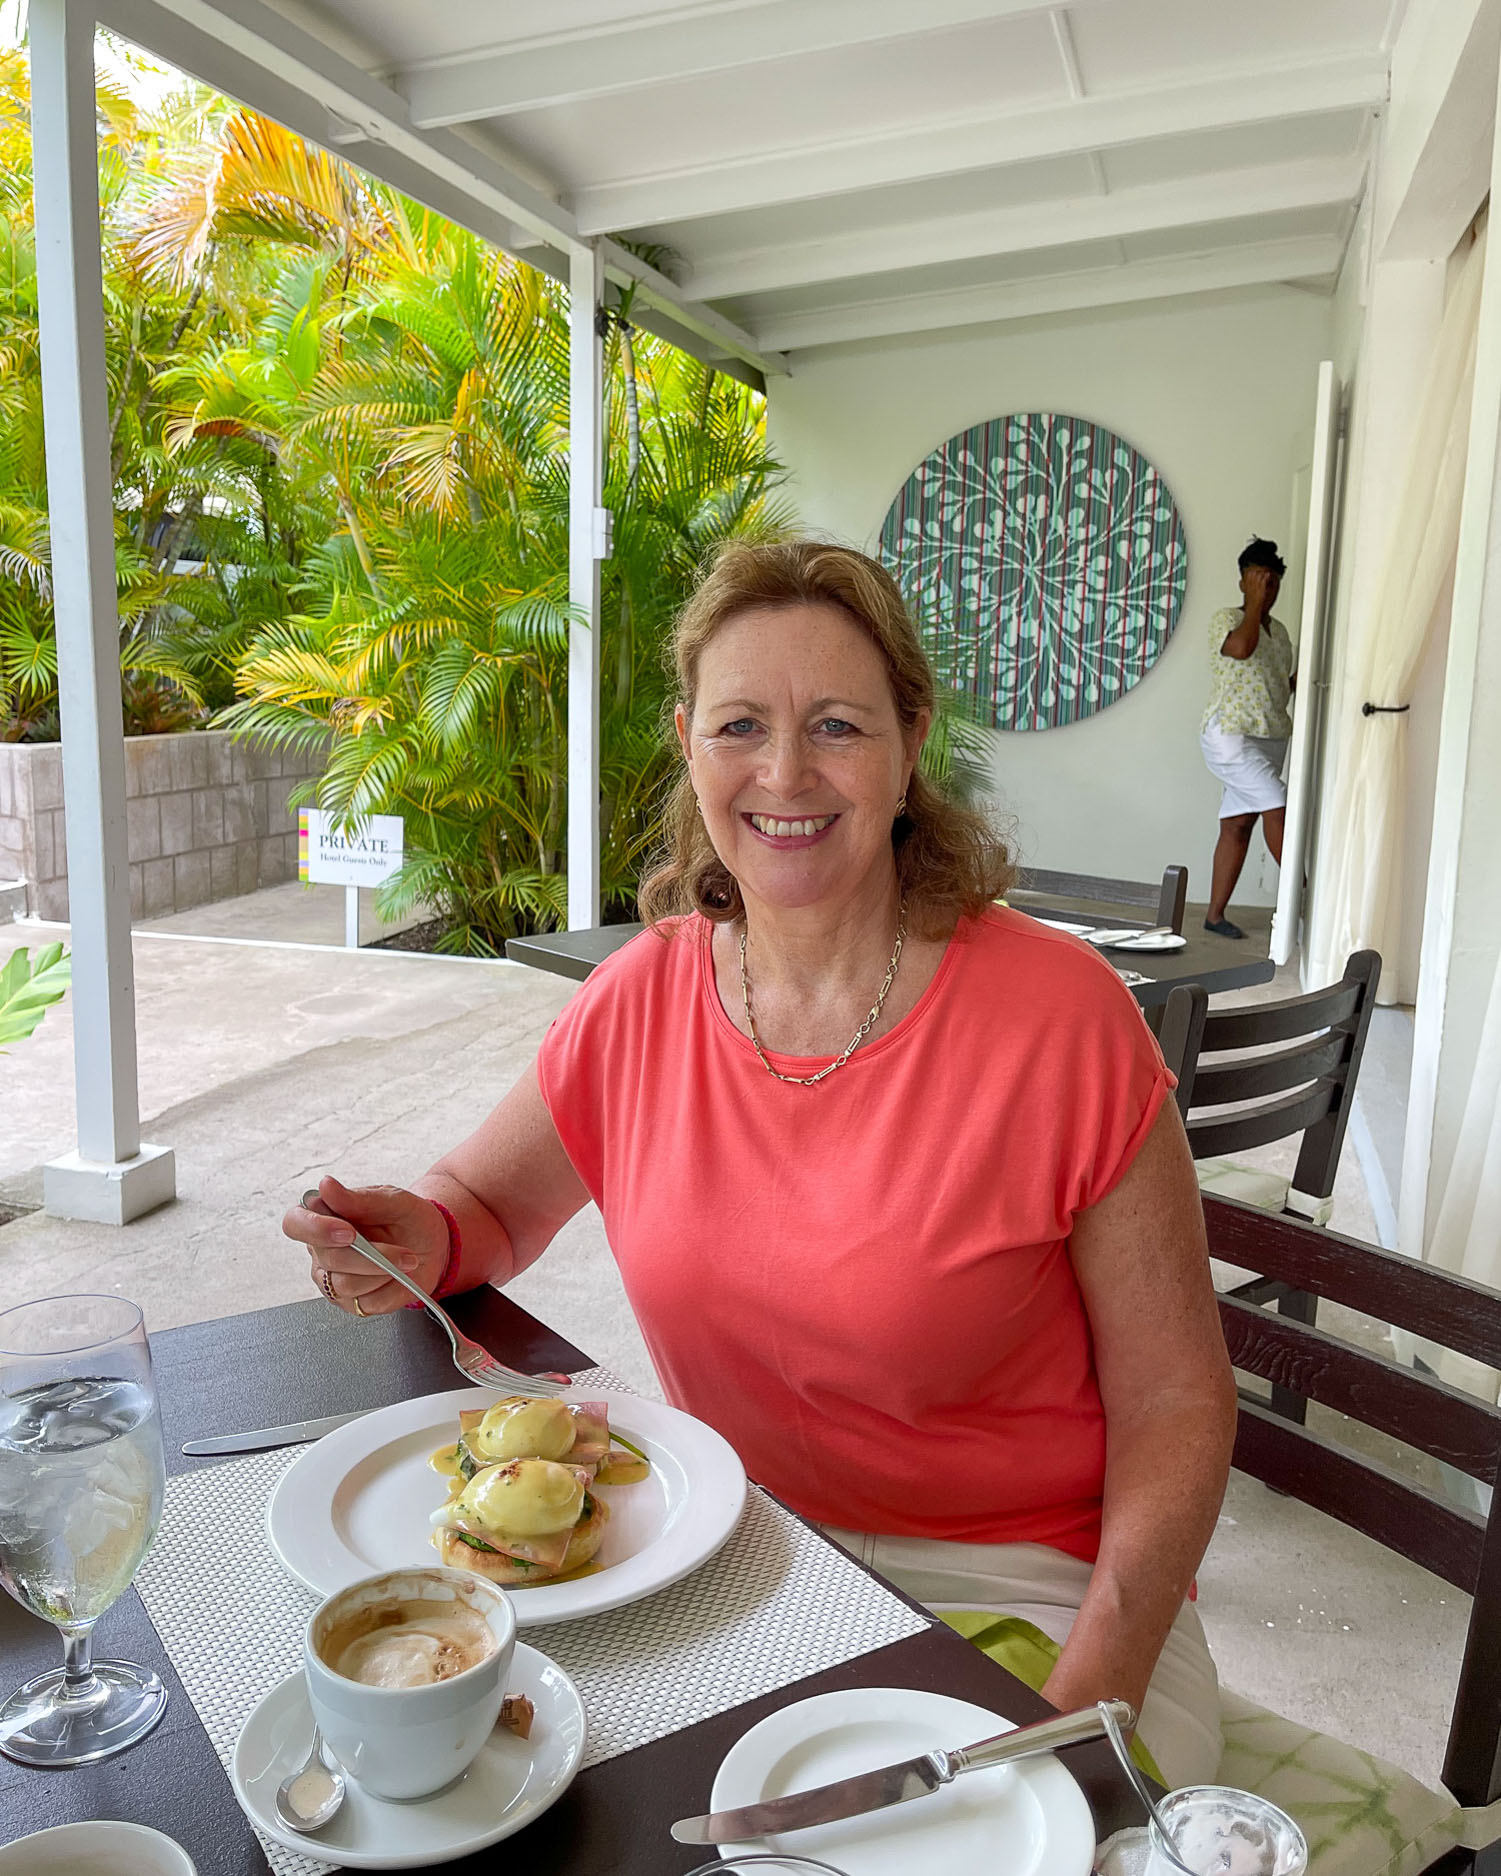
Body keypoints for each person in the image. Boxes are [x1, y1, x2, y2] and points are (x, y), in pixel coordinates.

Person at [284, 540, 1237, 1788]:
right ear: (689, 741)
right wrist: (410, 1233)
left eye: (836, 725)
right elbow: (484, 1209)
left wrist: (1088, 1689)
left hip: (1038, 1581)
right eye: (741, 724)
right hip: (737, 1555)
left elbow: (1178, 1402)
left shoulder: (1063, 1019)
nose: (784, 773)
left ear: (908, 744)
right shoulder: (639, 999)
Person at [1200, 538, 1296, 939]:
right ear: (1242, 582)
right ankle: (1303, 902)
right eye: (1258, 581)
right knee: (1279, 804)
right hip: (1231, 736)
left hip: (1271, 737)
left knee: (1238, 824)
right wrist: (1254, 604)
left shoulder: (1282, 633)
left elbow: (1279, 685)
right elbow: (1240, 649)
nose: (1267, 589)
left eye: (1272, 583)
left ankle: (1215, 916)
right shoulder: (1227, 619)